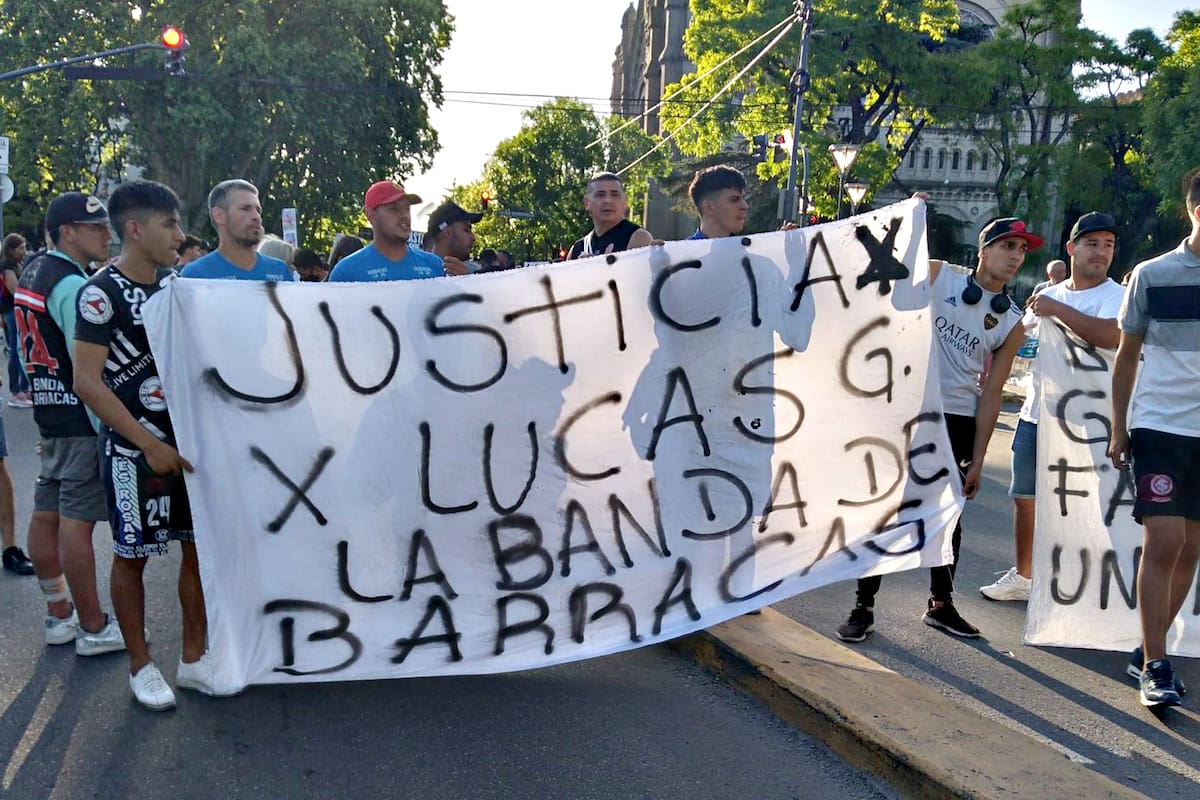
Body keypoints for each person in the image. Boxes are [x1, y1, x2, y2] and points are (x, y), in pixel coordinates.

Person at [837, 217, 1035, 642]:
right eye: (1008, 246)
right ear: (984, 250)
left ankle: (941, 605)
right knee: (887, 508)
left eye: (1022, 250)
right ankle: (863, 605)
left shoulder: (1012, 321)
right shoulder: (940, 273)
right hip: (907, 409)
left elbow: (992, 393)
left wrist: (979, 458)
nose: (1016, 256)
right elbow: (883, 273)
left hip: (958, 420)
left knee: (948, 516)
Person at [73, 179, 229, 710]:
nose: (180, 235)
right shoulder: (100, 293)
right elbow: (87, 382)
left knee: (195, 548)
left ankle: (193, 658)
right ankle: (141, 665)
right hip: (130, 452)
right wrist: (147, 443)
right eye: (170, 224)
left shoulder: (176, 286)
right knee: (132, 556)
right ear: (135, 229)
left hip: (186, 448)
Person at [979, 212, 1124, 602]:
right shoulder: (1049, 296)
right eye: (1092, 244)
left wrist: (1056, 310)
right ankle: (1024, 577)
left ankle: (1089, 585)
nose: (1101, 252)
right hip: (1037, 415)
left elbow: (1112, 336)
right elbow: (1017, 339)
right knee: (1025, 497)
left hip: (1089, 422)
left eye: (1108, 245)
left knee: (1091, 503)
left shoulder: (1116, 296)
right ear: (1072, 248)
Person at [15, 192, 124, 654]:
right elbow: (88, 368)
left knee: (46, 513)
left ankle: (59, 613)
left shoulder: (33, 271)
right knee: (77, 524)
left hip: (49, 410)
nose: (106, 235)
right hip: (80, 420)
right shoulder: (74, 286)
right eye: (95, 227)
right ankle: (94, 627)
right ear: (67, 233)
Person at [1109, 168, 1200, 708]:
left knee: (1191, 547)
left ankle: (1149, 651)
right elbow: (1125, 357)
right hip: (1160, 424)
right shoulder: (1152, 274)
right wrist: (1119, 427)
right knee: (1164, 542)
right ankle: (1158, 666)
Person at [328, 181, 446, 282]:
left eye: (407, 209)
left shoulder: (434, 265)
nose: (404, 215)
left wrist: (463, 281)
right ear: (371, 215)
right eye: (394, 208)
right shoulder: (346, 272)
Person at [180, 180, 294, 282]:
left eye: (258, 210)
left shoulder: (280, 271)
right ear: (219, 216)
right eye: (245, 209)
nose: (256, 216)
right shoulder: (194, 275)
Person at [565, 172, 653, 260]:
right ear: (587, 203)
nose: (608, 200)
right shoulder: (577, 249)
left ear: (625, 202)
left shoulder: (638, 238)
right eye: (600, 195)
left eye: (615, 194)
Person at [2, 233, 33, 408]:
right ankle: (16, 391)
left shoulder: (17, 265)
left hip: (17, 311)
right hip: (11, 312)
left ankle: (23, 387)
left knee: (21, 348)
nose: (24, 252)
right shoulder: (7, 267)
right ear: (11, 249)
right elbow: (16, 291)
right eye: (21, 248)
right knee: (16, 349)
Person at [686, 165, 749, 240]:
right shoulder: (683, 251)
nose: (745, 206)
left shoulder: (750, 249)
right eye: (734, 199)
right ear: (709, 207)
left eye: (743, 198)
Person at [424, 200, 481, 276]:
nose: (473, 237)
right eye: (466, 230)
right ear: (447, 232)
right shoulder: (416, 273)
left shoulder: (472, 272)